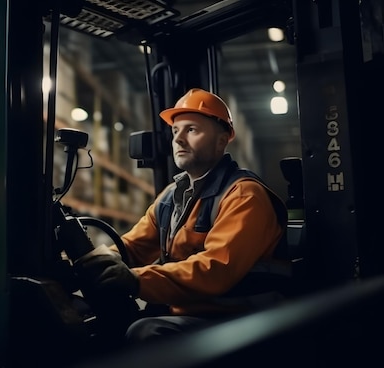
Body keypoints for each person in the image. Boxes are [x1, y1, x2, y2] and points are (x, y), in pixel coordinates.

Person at [73, 88, 290, 344]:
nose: (178, 139)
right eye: (176, 131)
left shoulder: (243, 196)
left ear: (222, 140)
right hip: (192, 312)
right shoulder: (172, 196)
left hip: (240, 320)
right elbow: (132, 246)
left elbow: (215, 270)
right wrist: (94, 263)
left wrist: (136, 279)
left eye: (192, 130)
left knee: (145, 333)